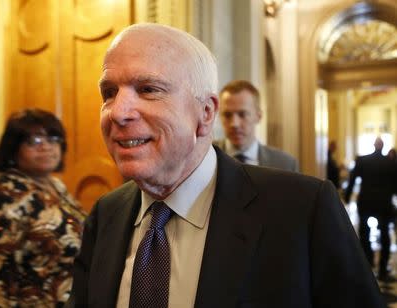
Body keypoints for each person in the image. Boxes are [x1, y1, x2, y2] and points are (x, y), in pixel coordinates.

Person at [68, 23, 384, 308]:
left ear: (205, 113)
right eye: (109, 93)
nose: (118, 112)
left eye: (148, 89)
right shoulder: (105, 214)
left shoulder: (304, 210)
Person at [0, 108, 87, 307]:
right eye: (34, 141)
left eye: (53, 138)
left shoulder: (56, 186)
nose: (46, 147)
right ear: (13, 150)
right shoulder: (0, 194)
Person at [213, 79, 299, 172]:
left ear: (258, 116)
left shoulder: (285, 164)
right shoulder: (205, 156)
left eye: (243, 114)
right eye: (227, 115)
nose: (234, 124)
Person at [345, 137, 397, 281]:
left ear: (374, 146)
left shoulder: (362, 161)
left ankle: (368, 263)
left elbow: (353, 179)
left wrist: (347, 198)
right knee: (385, 235)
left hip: (366, 202)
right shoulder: (391, 163)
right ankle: (382, 269)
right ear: (382, 146)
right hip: (384, 203)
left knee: (364, 234)